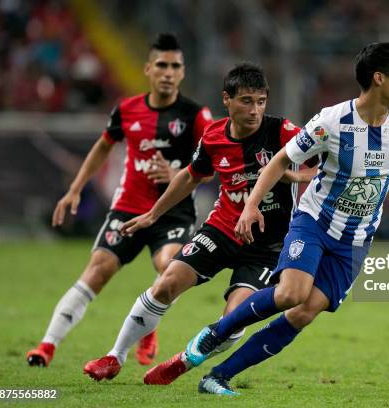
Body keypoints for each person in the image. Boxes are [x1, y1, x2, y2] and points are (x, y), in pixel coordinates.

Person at [169, 42, 389, 396]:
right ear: (379, 79)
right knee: (291, 293)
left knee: (304, 313)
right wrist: (251, 204)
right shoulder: (332, 121)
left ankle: (218, 377)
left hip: (355, 241)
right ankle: (217, 332)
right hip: (314, 223)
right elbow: (280, 161)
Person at [81, 62, 317, 382]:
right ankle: (114, 356)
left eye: (260, 102)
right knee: (166, 283)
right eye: (246, 101)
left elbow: (320, 169)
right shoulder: (214, 136)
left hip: (267, 244)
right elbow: (191, 177)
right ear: (227, 99)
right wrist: (153, 214)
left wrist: (291, 174)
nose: (254, 110)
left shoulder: (283, 132)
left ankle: (183, 362)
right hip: (221, 228)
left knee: (235, 317)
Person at [26, 33, 214, 368]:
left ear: (183, 72)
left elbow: (213, 166)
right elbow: (102, 147)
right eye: (162, 65)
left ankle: (146, 324)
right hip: (127, 208)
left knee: (168, 267)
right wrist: (76, 188)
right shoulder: (127, 110)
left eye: (175, 66)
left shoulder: (196, 116)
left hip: (173, 213)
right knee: (98, 270)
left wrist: (177, 177)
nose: (168, 72)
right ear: (148, 69)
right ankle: (46, 346)